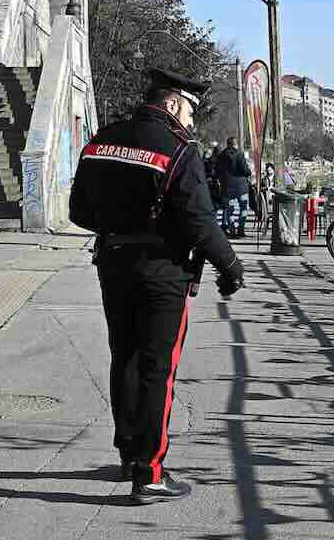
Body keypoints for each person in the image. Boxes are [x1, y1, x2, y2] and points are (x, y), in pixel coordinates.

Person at [69, 68, 244, 505]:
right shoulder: (179, 149)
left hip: (112, 262)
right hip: (164, 270)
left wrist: (119, 226)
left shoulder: (100, 140)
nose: (191, 121)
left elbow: (78, 210)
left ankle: (129, 454)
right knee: (157, 369)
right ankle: (149, 473)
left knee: (124, 358)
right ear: (171, 103)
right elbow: (200, 220)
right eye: (189, 110)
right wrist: (230, 265)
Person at [214, 136, 253, 238]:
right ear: (235, 144)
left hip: (227, 187)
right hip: (241, 186)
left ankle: (232, 230)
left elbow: (217, 171)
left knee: (229, 210)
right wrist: (249, 172)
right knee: (244, 208)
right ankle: (240, 229)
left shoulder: (221, 155)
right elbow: (245, 170)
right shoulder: (239, 154)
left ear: (228, 144)